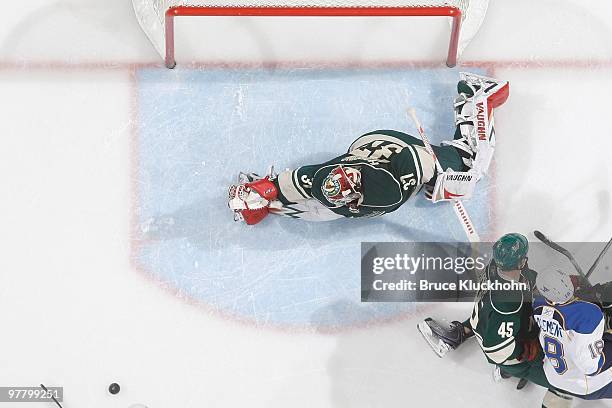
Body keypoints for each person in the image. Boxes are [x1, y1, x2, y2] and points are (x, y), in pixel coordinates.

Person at [227, 72, 509, 225]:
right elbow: (294, 182)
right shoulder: (323, 181)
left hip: (396, 148)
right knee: (317, 210)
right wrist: (263, 192)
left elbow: (418, 160)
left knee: (469, 163)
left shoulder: (387, 192)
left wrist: (443, 181)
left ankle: (476, 96)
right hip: (366, 148)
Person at [418, 233, 574, 407]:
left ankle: (460, 333)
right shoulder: (508, 305)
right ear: (520, 262)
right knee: (566, 386)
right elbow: (496, 349)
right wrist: (528, 353)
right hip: (506, 354)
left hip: (486, 322)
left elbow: (527, 282)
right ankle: (510, 371)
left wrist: (551, 286)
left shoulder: (493, 267)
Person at [533, 267, 612, 400]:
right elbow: (591, 367)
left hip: (554, 376)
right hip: (586, 385)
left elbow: (566, 309)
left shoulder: (538, 305)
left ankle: (558, 396)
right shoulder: (589, 314)